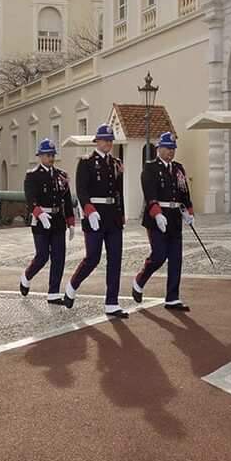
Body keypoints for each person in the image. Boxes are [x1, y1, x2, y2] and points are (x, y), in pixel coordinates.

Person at [63, 124, 128, 318]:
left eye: (110, 140)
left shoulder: (115, 163)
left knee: (115, 259)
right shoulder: (86, 162)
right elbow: (82, 189)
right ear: (97, 141)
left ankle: (112, 302)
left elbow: (118, 191)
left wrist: (121, 214)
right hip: (95, 216)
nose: (108, 143)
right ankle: (72, 285)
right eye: (104, 140)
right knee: (93, 257)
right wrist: (89, 210)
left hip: (112, 216)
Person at [133, 132, 193, 311]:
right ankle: (139, 280)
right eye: (168, 148)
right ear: (159, 148)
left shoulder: (179, 169)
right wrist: (157, 212)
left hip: (174, 217)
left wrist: (188, 211)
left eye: (173, 148)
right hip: (156, 218)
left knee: (176, 258)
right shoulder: (150, 168)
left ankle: (172, 297)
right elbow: (149, 192)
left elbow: (184, 192)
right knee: (159, 256)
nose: (171, 152)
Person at [19, 139, 76, 304]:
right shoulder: (32, 176)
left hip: (57, 220)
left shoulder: (61, 176)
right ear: (40, 156)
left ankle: (53, 292)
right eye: (47, 155)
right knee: (43, 255)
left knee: (59, 256)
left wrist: (71, 222)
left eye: (52, 155)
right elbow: (30, 199)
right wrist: (39, 214)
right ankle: (27, 276)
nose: (50, 158)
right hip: (41, 220)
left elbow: (66, 199)